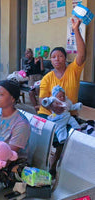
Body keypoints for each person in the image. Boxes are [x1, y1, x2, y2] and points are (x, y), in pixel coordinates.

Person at [38, 18, 86, 177]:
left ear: (65, 58)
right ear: (50, 60)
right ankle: (42, 163)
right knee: (41, 134)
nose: (56, 59)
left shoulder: (74, 70)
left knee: (62, 138)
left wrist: (76, 29)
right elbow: (42, 100)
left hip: (69, 114)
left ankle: (53, 165)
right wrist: (53, 108)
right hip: (48, 114)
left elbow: (82, 53)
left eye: (60, 56)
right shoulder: (47, 78)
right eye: (53, 57)